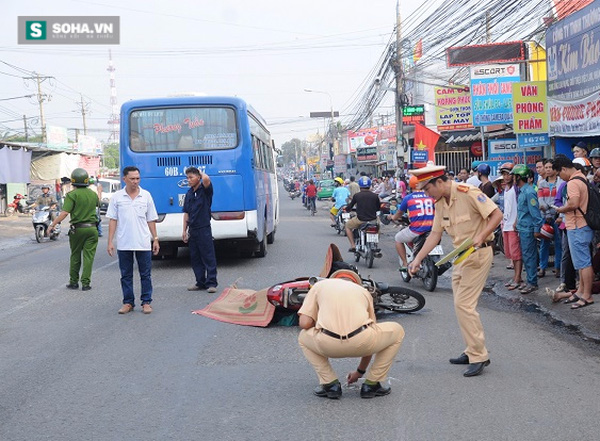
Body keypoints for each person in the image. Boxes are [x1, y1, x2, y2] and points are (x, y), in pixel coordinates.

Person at [408, 164, 502, 377]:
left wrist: (481, 235)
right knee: (461, 306)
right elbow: (434, 234)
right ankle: (471, 350)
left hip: (478, 254)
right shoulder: (440, 202)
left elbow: (497, 215)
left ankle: (479, 356)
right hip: (461, 258)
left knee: (465, 305)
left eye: (426, 189)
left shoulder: (468, 193)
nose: (425, 193)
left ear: (439, 182)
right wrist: (418, 259)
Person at [297, 277, 404, 399]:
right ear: (354, 281)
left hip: (327, 344)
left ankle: (330, 384)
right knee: (397, 330)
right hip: (361, 342)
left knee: (303, 337)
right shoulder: (363, 291)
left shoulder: (318, 286)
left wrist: (319, 323)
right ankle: (372, 384)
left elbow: (304, 324)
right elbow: (371, 331)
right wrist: (360, 372)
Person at [106, 166, 160, 314]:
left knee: (145, 274)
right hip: (124, 243)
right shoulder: (117, 197)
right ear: (124, 179)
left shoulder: (146, 196)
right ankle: (128, 302)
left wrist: (155, 239)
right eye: (132, 179)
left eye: (137, 178)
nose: (135, 181)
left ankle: (146, 302)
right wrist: (110, 241)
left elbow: (151, 220)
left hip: (143, 242)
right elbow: (113, 220)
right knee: (126, 275)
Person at [553, 155, 595, 309]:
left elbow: (574, 204)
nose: (560, 177)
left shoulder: (572, 183)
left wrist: (560, 209)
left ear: (564, 169)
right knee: (582, 263)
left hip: (577, 226)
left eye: (559, 174)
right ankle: (580, 292)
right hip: (582, 226)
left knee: (584, 264)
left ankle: (586, 296)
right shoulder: (582, 178)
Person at [48, 168, 99, 291]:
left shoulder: (72, 195)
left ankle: (74, 282)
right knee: (89, 257)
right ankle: (86, 283)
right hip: (92, 229)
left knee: (75, 255)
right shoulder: (93, 194)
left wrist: (52, 224)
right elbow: (97, 206)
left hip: (78, 229)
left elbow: (64, 213)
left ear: (73, 181)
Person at [388, 175, 435, 271]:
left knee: (398, 238)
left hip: (417, 230)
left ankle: (405, 264)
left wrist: (392, 217)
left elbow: (399, 214)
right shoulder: (431, 196)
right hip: (433, 229)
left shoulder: (408, 198)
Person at [183, 167, 218, 293]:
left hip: (204, 228)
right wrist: (184, 230)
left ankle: (211, 283)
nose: (189, 180)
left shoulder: (205, 190)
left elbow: (207, 179)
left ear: (198, 177)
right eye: (187, 178)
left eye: (191, 177)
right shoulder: (189, 193)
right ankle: (200, 282)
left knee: (208, 256)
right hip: (193, 229)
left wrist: (200, 172)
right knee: (195, 257)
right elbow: (186, 213)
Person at [512, 165, 544, 294]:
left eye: (514, 176)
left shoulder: (529, 192)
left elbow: (535, 214)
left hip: (528, 229)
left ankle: (532, 282)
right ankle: (529, 280)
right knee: (526, 256)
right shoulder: (522, 191)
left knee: (529, 256)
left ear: (519, 177)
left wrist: (537, 228)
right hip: (523, 228)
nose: (513, 178)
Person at [538, 159, 563, 278]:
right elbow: (540, 200)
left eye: (549, 167)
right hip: (545, 217)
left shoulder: (561, 183)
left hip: (557, 216)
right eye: (546, 167)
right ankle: (542, 268)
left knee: (559, 243)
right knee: (544, 243)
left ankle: (558, 267)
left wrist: (551, 210)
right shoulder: (542, 183)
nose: (547, 169)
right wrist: (547, 213)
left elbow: (559, 200)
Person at [345, 176, 380, 252]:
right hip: (373, 220)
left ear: (360, 186)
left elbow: (349, 207)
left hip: (360, 220)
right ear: (370, 185)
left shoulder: (357, 196)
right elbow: (378, 208)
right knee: (378, 228)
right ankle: (375, 244)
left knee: (347, 226)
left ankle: (353, 245)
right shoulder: (375, 196)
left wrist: (347, 209)